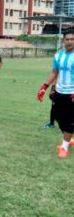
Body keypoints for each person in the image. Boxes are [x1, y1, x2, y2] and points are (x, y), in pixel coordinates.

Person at [37, 30, 74, 158]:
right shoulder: (58, 56)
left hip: (72, 93)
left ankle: (64, 146)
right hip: (59, 91)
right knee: (58, 117)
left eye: (72, 39)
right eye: (67, 39)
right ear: (63, 41)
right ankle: (69, 138)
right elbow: (54, 72)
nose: (69, 41)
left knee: (70, 120)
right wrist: (44, 86)